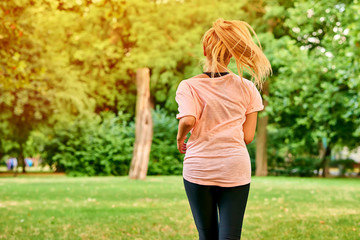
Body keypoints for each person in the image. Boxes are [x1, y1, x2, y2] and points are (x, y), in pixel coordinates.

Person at [175, 18, 272, 240]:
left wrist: (180, 138)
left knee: (207, 235)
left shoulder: (188, 86)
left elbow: (188, 120)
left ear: (204, 49)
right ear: (232, 53)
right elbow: (248, 137)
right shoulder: (248, 88)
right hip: (235, 169)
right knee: (231, 236)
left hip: (199, 169)